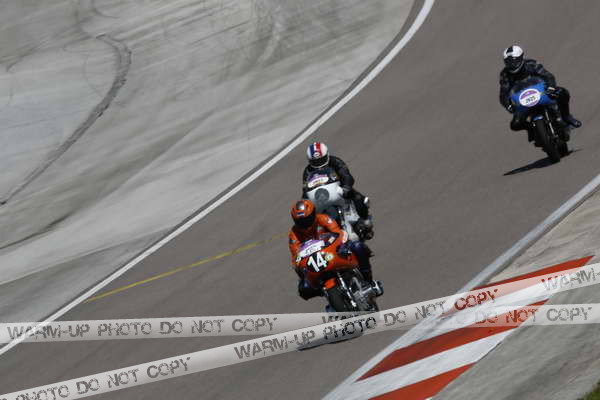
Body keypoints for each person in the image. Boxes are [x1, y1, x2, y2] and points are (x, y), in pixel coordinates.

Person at [288, 200, 382, 300]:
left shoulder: (323, 218)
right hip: (315, 263)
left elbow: (338, 233)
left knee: (358, 247)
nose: (305, 224)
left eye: (307, 219)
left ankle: (370, 282)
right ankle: (330, 297)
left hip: (333, 251)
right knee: (303, 288)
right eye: (300, 222)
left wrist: (341, 244)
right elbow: (296, 256)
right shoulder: (294, 234)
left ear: (314, 214)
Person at [499, 45, 581, 144]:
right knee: (515, 124)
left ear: (521, 57)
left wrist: (551, 87)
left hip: (541, 93)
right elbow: (503, 94)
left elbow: (547, 75)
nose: (512, 64)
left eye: (514, 61)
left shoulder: (531, 64)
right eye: (508, 62)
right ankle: (531, 129)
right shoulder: (505, 74)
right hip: (523, 101)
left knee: (563, 93)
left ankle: (566, 117)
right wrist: (508, 105)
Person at [302, 142, 373, 239]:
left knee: (358, 198)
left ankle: (364, 221)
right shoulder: (307, 171)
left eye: (321, 160)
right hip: (320, 196)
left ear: (327, 155)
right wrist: (306, 202)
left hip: (338, 189)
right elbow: (305, 190)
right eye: (315, 162)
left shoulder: (336, 161)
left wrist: (346, 187)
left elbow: (346, 175)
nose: (319, 164)